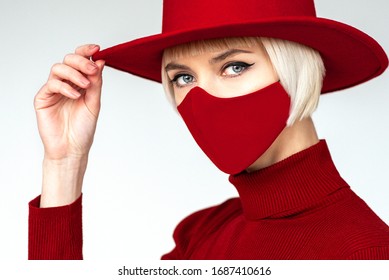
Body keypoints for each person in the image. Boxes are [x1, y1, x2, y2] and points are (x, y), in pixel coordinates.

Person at [29, 0, 389, 259]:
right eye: (183, 77)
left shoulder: (363, 253)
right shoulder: (204, 232)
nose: (203, 98)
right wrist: (64, 164)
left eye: (234, 66)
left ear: (296, 68)